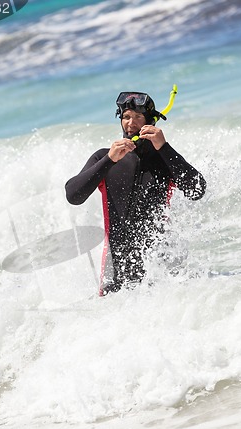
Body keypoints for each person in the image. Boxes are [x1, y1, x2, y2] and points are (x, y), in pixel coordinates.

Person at [65, 91, 206, 295]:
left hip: (160, 269)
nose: (131, 123)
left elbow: (197, 189)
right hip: (116, 272)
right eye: (126, 117)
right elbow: (73, 195)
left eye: (138, 117)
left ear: (150, 121)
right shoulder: (104, 157)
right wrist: (108, 161)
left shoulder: (164, 160)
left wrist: (164, 148)